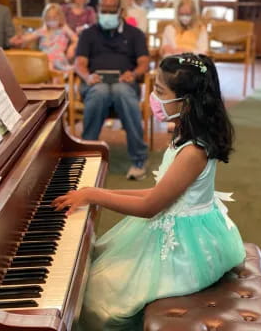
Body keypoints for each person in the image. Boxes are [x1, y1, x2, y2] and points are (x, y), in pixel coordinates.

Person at [52, 53, 246, 330]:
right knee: (98, 264)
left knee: (100, 300)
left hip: (189, 247)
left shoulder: (193, 151)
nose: (153, 98)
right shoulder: (184, 132)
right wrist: (94, 190)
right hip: (176, 221)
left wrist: (93, 196)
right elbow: (160, 192)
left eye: (159, 91)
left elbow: (150, 206)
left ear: (186, 102)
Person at [74, 0, 149, 180]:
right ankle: (87, 154)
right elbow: (79, 64)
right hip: (95, 83)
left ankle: (138, 160)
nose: (106, 14)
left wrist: (133, 74)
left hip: (124, 83)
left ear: (121, 11)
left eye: (111, 10)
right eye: (103, 10)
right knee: (99, 92)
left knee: (121, 91)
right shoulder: (88, 34)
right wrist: (87, 76)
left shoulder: (135, 34)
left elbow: (143, 63)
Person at [9, 3, 78, 71]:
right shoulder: (42, 31)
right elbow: (27, 38)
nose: (52, 20)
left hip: (58, 60)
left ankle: (53, 75)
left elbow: (76, 39)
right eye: (49, 18)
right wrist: (18, 40)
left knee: (52, 65)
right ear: (45, 19)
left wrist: (72, 47)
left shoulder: (63, 28)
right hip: (44, 60)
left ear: (60, 17)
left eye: (54, 18)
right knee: (42, 64)